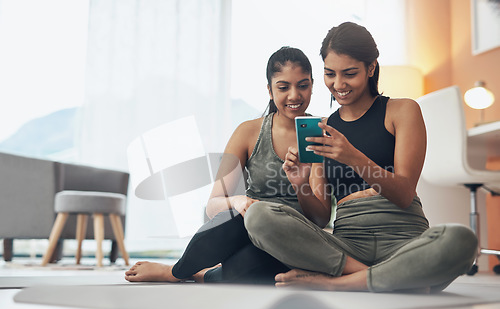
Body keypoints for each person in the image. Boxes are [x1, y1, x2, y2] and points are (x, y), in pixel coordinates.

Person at [244, 22, 478, 293]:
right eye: (330, 74)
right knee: (259, 215)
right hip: (348, 247)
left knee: (462, 239)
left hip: (405, 238)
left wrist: (353, 157)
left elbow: (403, 193)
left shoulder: (401, 111)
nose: (338, 84)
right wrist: (301, 184)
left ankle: (338, 284)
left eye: (350, 73)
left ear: (371, 67)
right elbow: (319, 219)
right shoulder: (322, 128)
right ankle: (384, 277)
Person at [125, 46, 315, 284]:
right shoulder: (248, 132)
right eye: (283, 87)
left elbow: (319, 218)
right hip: (251, 226)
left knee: (243, 271)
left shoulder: (321, 134)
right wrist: (237, 201)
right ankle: (177, 271)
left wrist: (301, 184)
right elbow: (213, 205)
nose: (294, 95)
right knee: (234, 219)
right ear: (269, 90)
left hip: (297, 239)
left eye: (303, 85)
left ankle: (198, 273)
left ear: (312, 85)